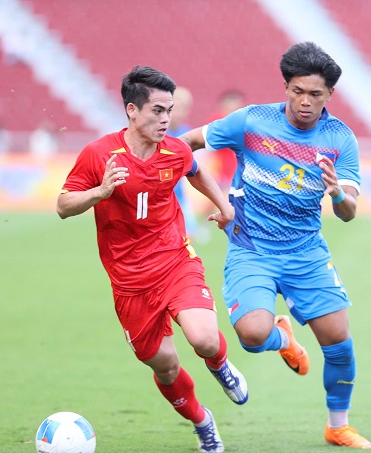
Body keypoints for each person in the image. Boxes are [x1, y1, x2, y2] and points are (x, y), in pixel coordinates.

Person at [180, 42, 371, 449]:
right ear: (286, 86)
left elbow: (348, 212)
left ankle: (338, 426)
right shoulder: (251, 121)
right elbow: (190, 142)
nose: (305, 102)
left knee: (339, 343)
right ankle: (283, 338)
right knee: (252, 335)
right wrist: (150, 159)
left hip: (306, 253)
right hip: (252, 249)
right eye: (297, 91)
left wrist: (337, 193)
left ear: (330, 95)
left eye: (315, 94)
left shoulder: (340, 138)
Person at [56, 65, 248, 453]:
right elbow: (63, 205)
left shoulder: (175, 149)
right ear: (132, 110)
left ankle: (220, 366)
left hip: (175, 261)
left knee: (204, 339)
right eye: (157, 111)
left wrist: (225, 205)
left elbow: (195, 170)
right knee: (166, 366)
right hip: (129, 284)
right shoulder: (99, 154)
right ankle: (202, 421)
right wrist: (100, 193)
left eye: (169, 111)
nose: (166, 119)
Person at [167, 86, 199, 238]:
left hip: (179, 195)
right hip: (160, 196)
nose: (178, 112)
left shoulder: (187, 133)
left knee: (187, 238)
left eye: (183, 108)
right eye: (175, 107)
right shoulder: (157, 132)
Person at [205, 90, 245, 190]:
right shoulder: (217, 122)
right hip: (220, 172)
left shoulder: (242, 123)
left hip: (236, 172)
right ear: (224, 105)